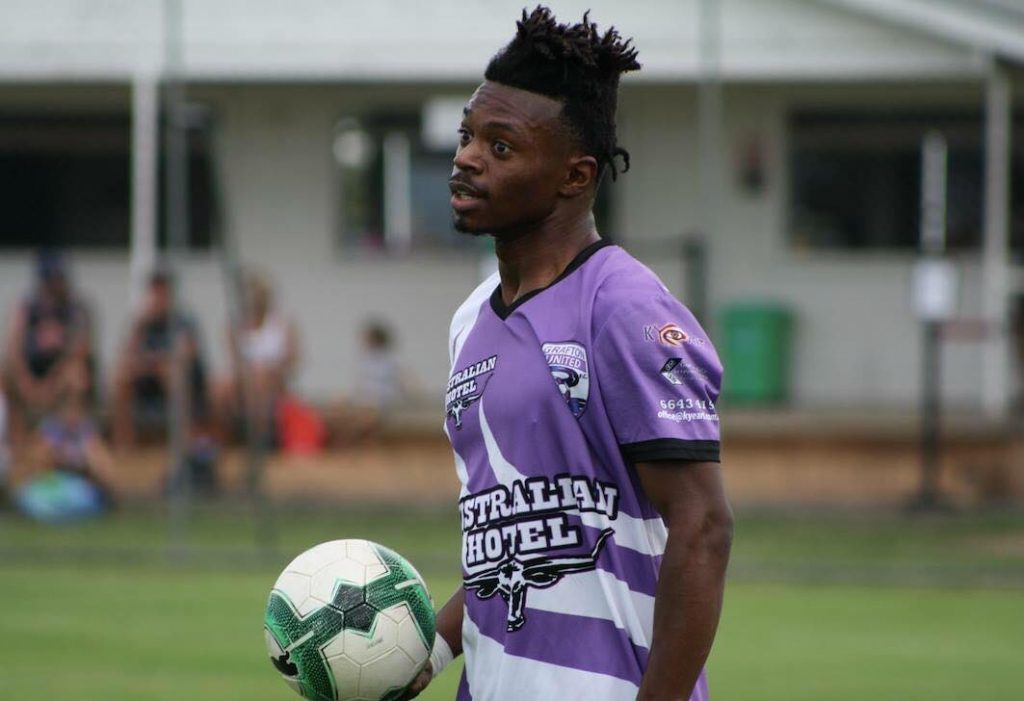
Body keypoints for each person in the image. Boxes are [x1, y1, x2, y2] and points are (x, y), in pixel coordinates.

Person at [407, 8, 733, 701]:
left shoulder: (622, 308)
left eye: (501, 146)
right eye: (468, 136)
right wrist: (413, 662)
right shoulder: (470, 321)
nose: (466, 157)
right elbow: (515, 548)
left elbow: (702, 527)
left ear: (574, 175)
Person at [1, 250, 93, 449]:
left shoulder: (76, 309)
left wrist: (50, 384)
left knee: (77, 376)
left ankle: (70, 445)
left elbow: (79, 350)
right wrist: (26, 382)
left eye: (58, 278)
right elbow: (13, 349)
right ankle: (16, 445)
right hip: (31, 377)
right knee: (3, 376)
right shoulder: (25, 308)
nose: (54, 285)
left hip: (59, 377)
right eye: (50, 279)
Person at [111, 267, 210, 449]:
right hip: (148, 381)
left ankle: (184, 442)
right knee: (122, 377)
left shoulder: (183, 321)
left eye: (162, 292)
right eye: (155, 292)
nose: (158, 297)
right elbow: (127, 355)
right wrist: (140, 327)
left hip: (180, 381)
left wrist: (153, 361)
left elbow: (185, 354)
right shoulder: (143, 323)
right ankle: (124, 444)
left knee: (170, 374)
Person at [14, 360, 116, 522]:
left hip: (79, 486)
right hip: (53, 484)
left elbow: (106, 471)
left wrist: (85, 463)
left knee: (84, 496)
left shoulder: (86, 432)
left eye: (76, 407)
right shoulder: (49, 429)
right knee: (31, 496)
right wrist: (55, 459)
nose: (71, 414)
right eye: (69, 407)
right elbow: (34, 464)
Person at [213, 270, 300, 444]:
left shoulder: (282, 325)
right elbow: (233, 359)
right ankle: (223, 437)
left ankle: (259, 438)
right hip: (244, 376)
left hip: (273, 377)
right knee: (219, 385)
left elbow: (292, 358)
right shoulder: (234, 326)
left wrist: (270, 368)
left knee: (260, 376)